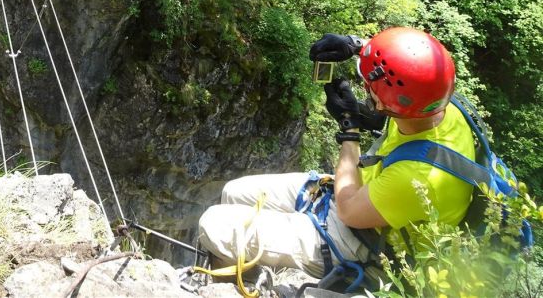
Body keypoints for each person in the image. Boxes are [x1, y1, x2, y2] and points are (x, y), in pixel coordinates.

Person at [197, 27, 475, 284]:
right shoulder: (435, 102)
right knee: (234, 192)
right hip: (369, 192)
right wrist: (355, 45)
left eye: (369, 88)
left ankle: (231, 288)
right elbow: (410, 72)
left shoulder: (418, 179)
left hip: (363, 237)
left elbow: (349, 211)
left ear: (382, 102)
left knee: (214, 224)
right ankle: (248, 268)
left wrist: (349, 127)